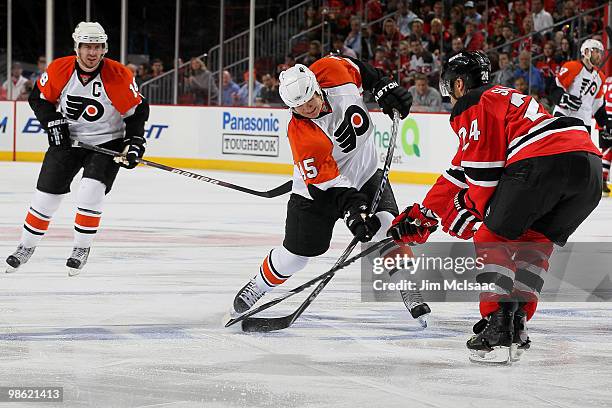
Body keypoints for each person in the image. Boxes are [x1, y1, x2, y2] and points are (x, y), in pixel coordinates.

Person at [388, 51, 601, 363]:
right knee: (534, 245)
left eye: (451, 86)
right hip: (588, 168)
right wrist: (425, 214)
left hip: (542, 161)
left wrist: (466, 210)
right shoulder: (505, 98)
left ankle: (498, 320)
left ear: (459, 83)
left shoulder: (472, 103)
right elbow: (459, 172)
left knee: (490, 237)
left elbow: (483, 179)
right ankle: (518, 321)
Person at [229, 56, 428, 321]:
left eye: (310, 100)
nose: (307, 109)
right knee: (296, 257)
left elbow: (363, 71)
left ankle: (408, 287)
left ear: (315, 85)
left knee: (387, 227)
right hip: (317, 192)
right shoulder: (302, 134)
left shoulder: (332, 71)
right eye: (298, 107)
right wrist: (354, 213)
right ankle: (259, 285)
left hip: (365, 172)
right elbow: (331, 185)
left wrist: (383, 86)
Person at [5, 22, 149, 276]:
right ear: (77, 48)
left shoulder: (118, 74)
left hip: (107, 143)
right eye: (87, 47)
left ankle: (81, 248)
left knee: (90, 191)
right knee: (45, 197)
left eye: (97, 47)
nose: (92, 53)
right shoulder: (60, 68)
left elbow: (136, 112)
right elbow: (38, 98)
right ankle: (26, 246)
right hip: (69, 141)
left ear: (104, 49)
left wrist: (134, 142)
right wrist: (52, 121)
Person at [551, 39, 610, 195]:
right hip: (564, 115)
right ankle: (553, 183)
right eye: (596, 51)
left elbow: (598, 106)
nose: (599, 55)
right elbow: (554, 89)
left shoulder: (600, 77)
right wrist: (566, 99)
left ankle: (574, 189)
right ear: (586, 52)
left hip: (584, 121)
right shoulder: (572, 67)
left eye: (600, 52)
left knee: (581, 156)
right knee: (559, 152)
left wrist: (606, 124)